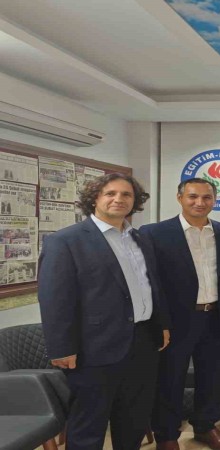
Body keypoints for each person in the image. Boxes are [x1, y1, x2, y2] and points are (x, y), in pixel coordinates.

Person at [38, 173, 170, 450]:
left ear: (134, 201)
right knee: (89, 424)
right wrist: (62, 348)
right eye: (110, 193)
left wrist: (162, 325)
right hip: (94, 348)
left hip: (143, 342)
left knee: (134, 419)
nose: (118, 199)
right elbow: (55, 299)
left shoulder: (139, 239)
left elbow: (152, 286)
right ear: (94, 198)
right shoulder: (66, 241)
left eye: (126, 194)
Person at [141, 178, 220, 450]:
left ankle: (205, 426)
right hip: (175, 321)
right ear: (180, 198)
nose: (200, 202)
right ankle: (167, 434)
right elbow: (150, 282)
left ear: (214, 200)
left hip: (215, 317)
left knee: (212, 376)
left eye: (206, 197)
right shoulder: (154, 233)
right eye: (193, 196)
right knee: (170, 379)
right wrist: (160, 322)